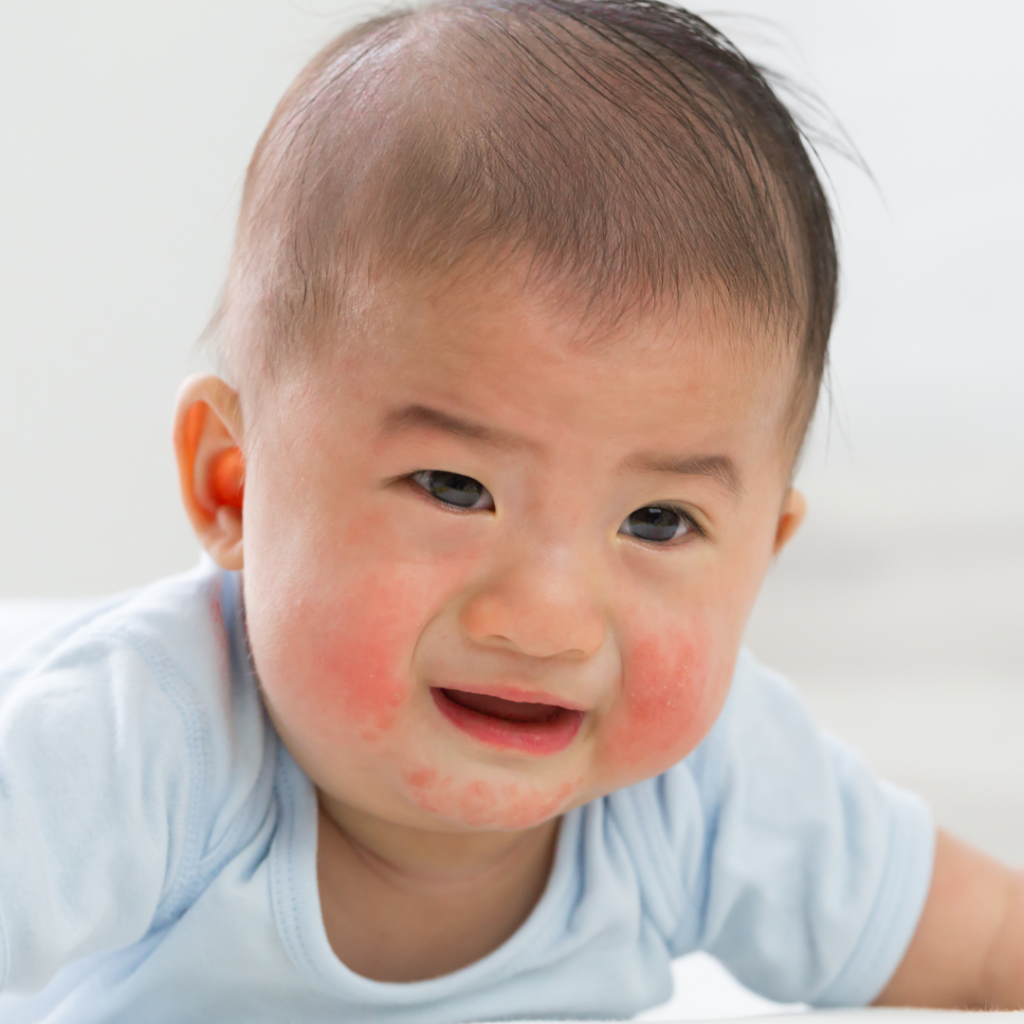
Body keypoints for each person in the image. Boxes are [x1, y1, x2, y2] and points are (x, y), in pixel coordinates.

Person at [0, 1, 1021, 1019]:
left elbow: (980, 945)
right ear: (234, 482)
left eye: (658, 521)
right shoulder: (132, 746)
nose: (545, 619)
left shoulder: (708, 791)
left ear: (762, 552)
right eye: (455, 489)